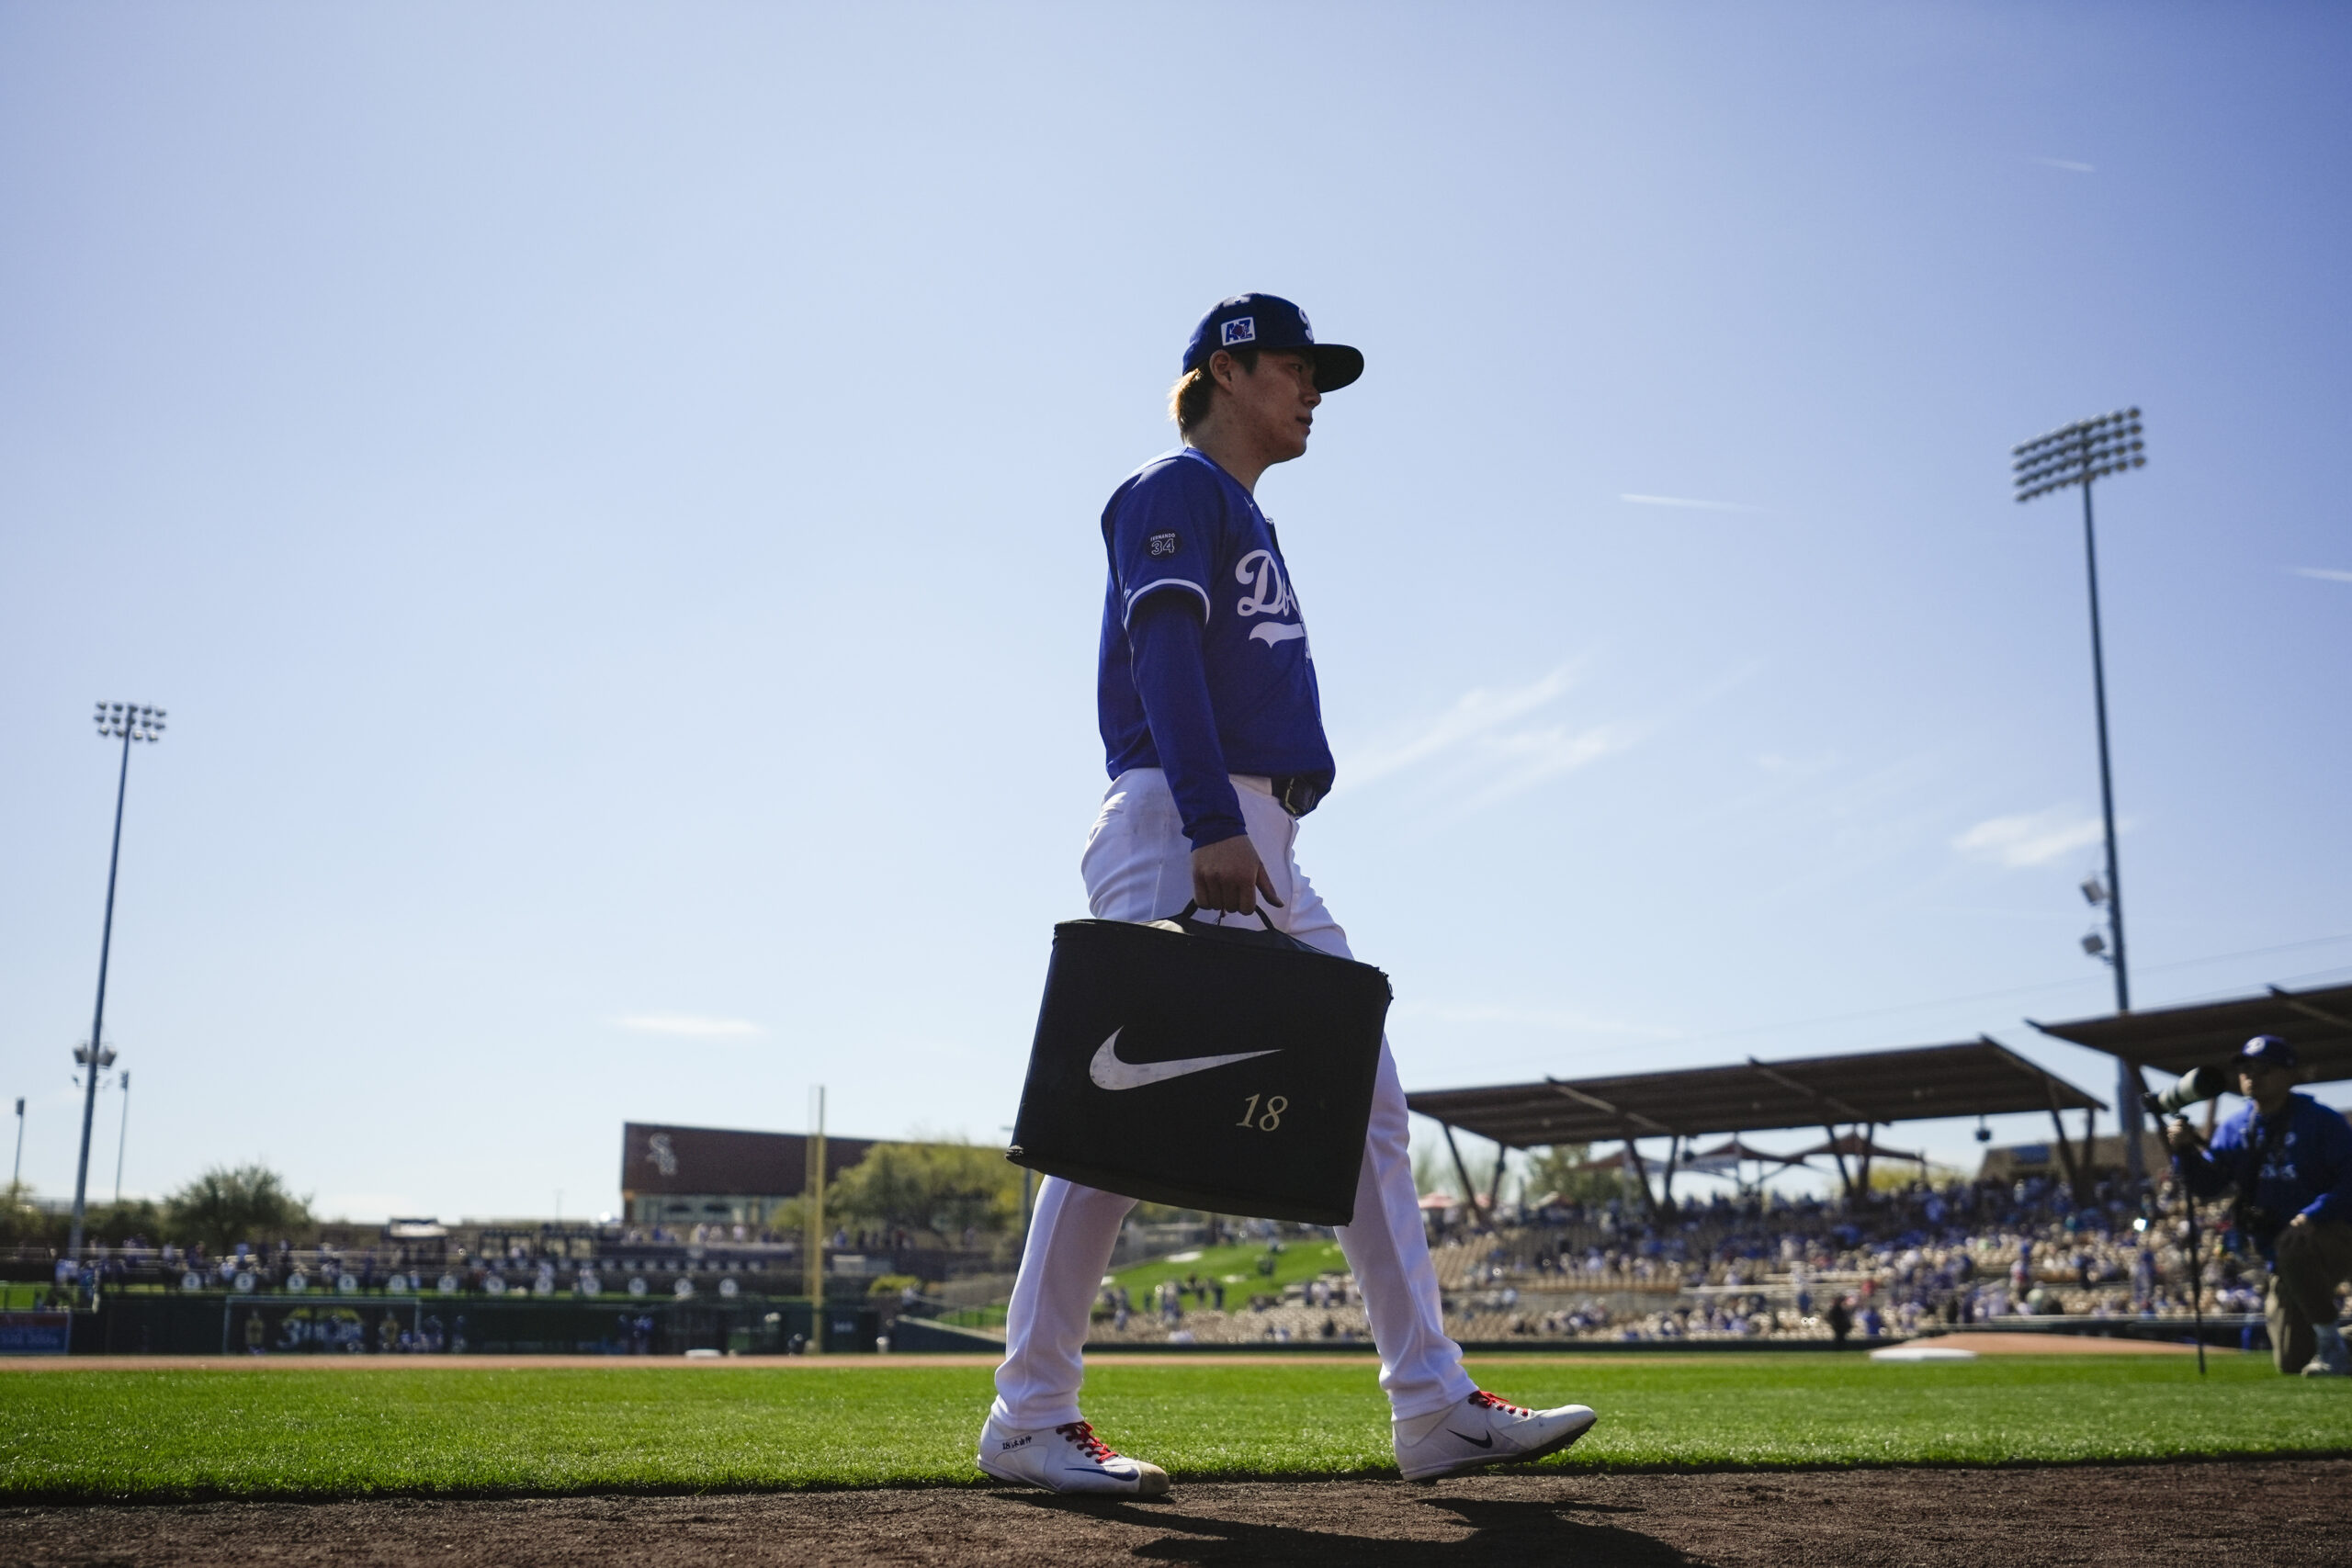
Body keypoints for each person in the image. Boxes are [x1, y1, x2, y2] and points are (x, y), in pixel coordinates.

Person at [976, 294, 1598, 1496]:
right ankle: (1028, 1412)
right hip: (1186, 813)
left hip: (1259, 834)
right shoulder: (1177, 485)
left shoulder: (1243, 508)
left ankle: (1432, 1404)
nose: (1313, 390)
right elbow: (1161, 653)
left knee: (1365, 1096)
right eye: (1296, 367)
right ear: (1227, 366)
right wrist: (1214, 819)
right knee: (1108, 1120)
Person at [2166, 1034, 2352, 1376]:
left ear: (2289, 1075)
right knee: (2292, 1361)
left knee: (2293, 1244)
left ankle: (2330, 1345)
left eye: (2264, 1069)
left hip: (2335, 1232)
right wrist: (2185, 1153)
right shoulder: (2235, 1129)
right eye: (2246, 1069)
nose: (2252, 1075)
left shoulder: (2320, 1120)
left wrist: (2313, 1215)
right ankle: (2338, 1342)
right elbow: (2210, 1187)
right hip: (2280, 1252)